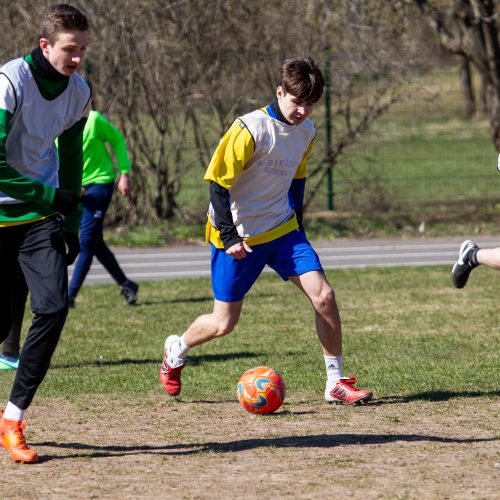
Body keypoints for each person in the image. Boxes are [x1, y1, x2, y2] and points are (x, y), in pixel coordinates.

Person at [159, 56, 373, 405]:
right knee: (223, 323)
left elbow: (297, 177)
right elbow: (217, 183)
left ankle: (335, 382)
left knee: (325, 296)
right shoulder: (249, 129)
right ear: (279, 91)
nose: (303, 111)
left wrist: (298, 225)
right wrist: (230, 237)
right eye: (297, 102)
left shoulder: (307, 130)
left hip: (283, 230)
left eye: (311, 104)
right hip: (239, 236)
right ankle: (176, 349)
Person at [0, 4, 91, 463]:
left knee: (53, 307)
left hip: (39, 219)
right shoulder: (9, 82)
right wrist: (47, 196)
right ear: (45, 45)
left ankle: (13, 418)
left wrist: (70, 219)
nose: (76, 59)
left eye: (82, 51)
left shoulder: (78, 92)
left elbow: (72, 156)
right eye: (69, 50)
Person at [68, 109, 139, 307]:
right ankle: (127, 285)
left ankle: (69, 296)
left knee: (87, 241)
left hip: (99, 185)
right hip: (75, 188)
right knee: (95, 242)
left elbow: (117, 139)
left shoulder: (93, 120)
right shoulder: (56, 120)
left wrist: (124, 172)